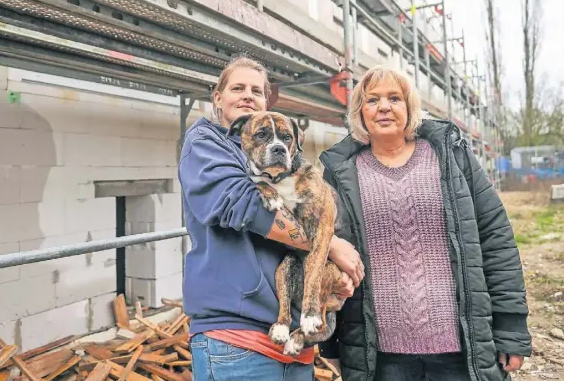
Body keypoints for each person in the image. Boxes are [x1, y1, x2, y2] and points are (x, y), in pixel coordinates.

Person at [318, 65, 532, 381]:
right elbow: (326, 259)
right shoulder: (340, 172)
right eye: (373, 100)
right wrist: (331, 346)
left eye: (395, 98)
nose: (384, 107)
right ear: (360, 110)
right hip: (381, 359)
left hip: (461, 351)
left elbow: (495, 239)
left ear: (410, 106)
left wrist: (510, 328)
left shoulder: (451, 156)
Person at [178, 55, 365, 380]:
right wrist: (329, 243)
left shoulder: (286, 158)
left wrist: (334, 278)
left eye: (257, 90)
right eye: (237, 88)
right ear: (218, 98)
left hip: (294, 340)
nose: (248, 95)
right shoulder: (207, 142)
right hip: (237, 338)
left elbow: (320, 210)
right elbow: (244, 205)